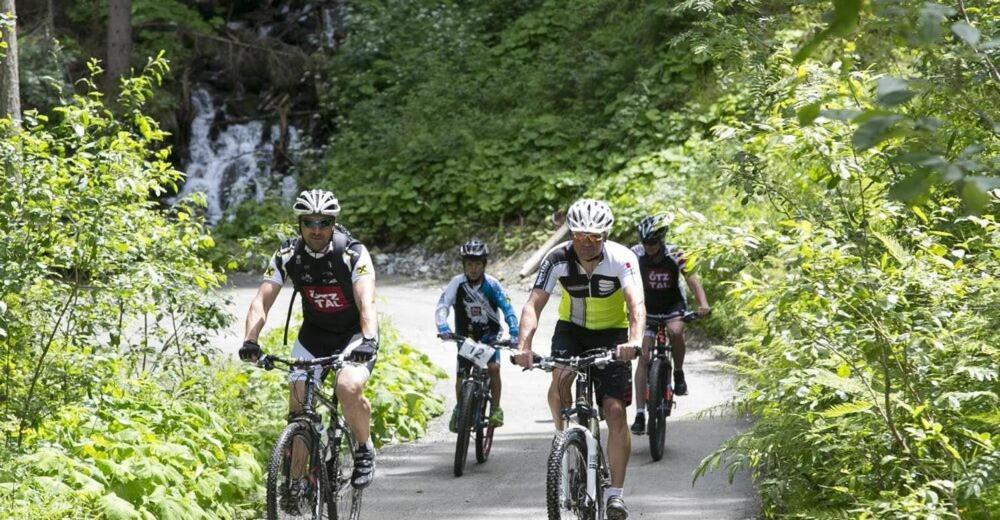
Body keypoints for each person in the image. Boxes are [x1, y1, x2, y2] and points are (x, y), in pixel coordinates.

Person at [238, 189, 379, 495]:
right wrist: (250, 340)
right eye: (309, 223)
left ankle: (365, 448)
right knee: (300, 405)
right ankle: (297, 483)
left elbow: (366, 301)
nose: (316, 230)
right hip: (314, 335)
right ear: (299, 224)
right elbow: (261, 302)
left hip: (355, 335)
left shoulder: (352, 252)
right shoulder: (287, 255)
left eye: (324, 222)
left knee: (347, 387)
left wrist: (368, 339)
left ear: (334, 223)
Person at [514, 198, 645, 520]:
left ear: (605, 236)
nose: (587, 243)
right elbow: (533, 304)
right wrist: (524, 346)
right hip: (572, 329)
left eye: (595, 237)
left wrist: (634, 341)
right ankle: (563, 437)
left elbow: (636, 304)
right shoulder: (557, 258)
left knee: (614, 411)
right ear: (571, 233)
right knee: (560, 376)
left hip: (613, 334)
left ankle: (615, 494)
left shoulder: (621, 258)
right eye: (580, 235)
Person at [629, 213, 710, 436]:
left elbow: (692, 279)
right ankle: (639, 413)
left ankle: (679, 372)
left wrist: (703, 304)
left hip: (673, 304)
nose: (649, 247)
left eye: (653, 243)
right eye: (646, 243)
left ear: (662, 240)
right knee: (643, 356)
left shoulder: (675, 254)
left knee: (676, 331)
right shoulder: (635, 255)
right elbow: (622, 280)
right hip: (647, 307)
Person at [436, 239, 520, 431]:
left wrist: (514, 333)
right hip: (465, 334)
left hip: (490, 334)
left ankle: (496, 408)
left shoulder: (492, 284)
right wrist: (443, 327)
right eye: (469, 264)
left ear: (484, 265)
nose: (473, 269)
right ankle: (460, 409)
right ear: (464, 265)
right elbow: (443, 305)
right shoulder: (457, 283)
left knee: (493, 367)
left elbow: (508, 309)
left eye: (477, 264)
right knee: (461, 375)